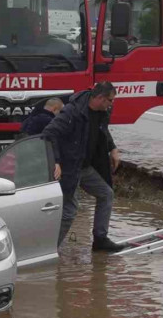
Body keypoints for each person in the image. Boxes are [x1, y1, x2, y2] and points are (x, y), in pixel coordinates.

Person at [42, 82, 124, 251]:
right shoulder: (72, 112)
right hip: (69, 168)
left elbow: (103, 131)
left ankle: (100, 240)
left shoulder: (103, 111)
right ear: (100, 98)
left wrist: (113, 148)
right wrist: (56, 161)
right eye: (110, 100)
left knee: (106, 194)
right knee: (69, 211)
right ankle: (49, 249)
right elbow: (49, 133)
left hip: (85, 167)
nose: (112, 104)